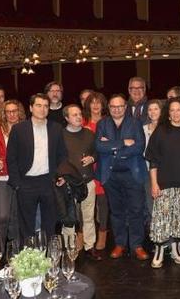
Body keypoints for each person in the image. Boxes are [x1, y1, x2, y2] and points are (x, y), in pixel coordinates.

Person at [146, 98, 180, 268]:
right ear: (167, 114)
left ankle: (176, 250)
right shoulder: (161, 131)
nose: (176, 113)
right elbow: (153, 161)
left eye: (179, 110)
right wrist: (154, 184)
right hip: (164, 184)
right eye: (172, 110)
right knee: (162, 220)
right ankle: (159, 251)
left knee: (178, 220)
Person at [7, 93, 67, 243]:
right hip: (26, 182)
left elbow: (62, 155)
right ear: (31, 108)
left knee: (50, 224)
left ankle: (48, 258)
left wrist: (61, 176)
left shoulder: (56, 128)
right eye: (38, 105)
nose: (42, 109)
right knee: (26, 226)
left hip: (48, 181)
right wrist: (17, 183)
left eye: (46, 106)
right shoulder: (19, 129)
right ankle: (28, 259)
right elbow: (11, 157)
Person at [96, 94, 149, 260]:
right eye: (113, 106)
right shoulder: (102, 124)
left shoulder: (135, 123)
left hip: (132, 174)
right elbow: (98, 146)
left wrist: (111, 146)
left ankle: (137, 245)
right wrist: (121, 143)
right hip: (110, 175)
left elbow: (139, 147)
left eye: (120, 106)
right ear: (109, 108)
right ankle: (120, 244)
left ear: (125, 107)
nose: (116, 109)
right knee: (116, 212)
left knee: (136, 210)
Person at [57, 104, 99, 259]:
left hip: (88, 181)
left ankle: (90, 247)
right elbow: (55, 159)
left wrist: (92, 158)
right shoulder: (60, 136)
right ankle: (69, 248)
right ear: (66, 118)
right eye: (74, 115)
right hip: (69, 183)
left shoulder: (89, 134)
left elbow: (97, 152)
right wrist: (59, 177)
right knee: (69, 218)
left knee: (88, 217)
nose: (79, 117)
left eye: (80, 114)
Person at [0, 99, 24, 245]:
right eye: (8, 112)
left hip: (21, 179)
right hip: (1, 180)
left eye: (15, 111)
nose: (12, 114)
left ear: (20, 113)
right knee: (2, 216)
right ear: (4, 114)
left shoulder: (26, 130)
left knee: (16, 217)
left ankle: (16, 252)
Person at [82, 91, 109, 258]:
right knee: (86, 206)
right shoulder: (83, 123)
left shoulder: (108, 123)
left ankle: (103, 233)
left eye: (99, 102)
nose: (96, 105)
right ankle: (83, 236)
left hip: (105, 168)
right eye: (93, 102)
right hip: (87, 169)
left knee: (103, 204)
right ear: (88, 105)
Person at [143, 99, 165, 222]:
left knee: (165, 205)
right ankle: (157, 237)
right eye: (150, 109)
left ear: (161, 111)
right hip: (147, 171)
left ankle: (170, 239)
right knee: (151, 204)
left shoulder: (168, 128)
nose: (152, 112)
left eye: (156, 109)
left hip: (165, 172)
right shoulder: (143, 129)